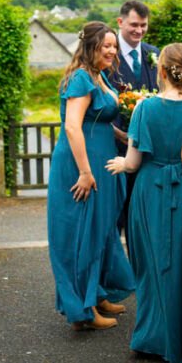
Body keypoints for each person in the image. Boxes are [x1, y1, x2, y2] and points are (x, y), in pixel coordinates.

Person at [105, 43, 182, 363]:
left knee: (152, 262)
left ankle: (155, 336)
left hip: (151, 191)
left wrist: (120, 162)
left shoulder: (146, 109)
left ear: (161, 71)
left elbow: (133, 162)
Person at [46, 21, 136, 331]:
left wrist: (127, 138)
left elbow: (96, 122)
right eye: (106, 46)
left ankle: (97, 294)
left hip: (101, 160)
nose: (112, 50)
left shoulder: (98, 77)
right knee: (83, 231)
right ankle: (83, 308)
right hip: (80, 164)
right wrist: (85, 172)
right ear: (90, 47)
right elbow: (73, 126)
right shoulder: (81, 78)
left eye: (113, 45)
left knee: (100, 229)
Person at [107, 0, 160, 240]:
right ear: (120, 22)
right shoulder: (107, 53)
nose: (139, 31)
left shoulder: (154, 54)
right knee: (114, 215)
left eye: (144, 25)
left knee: (143, 219)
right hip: (113, 148)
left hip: (147, 150)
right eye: (134, 25)